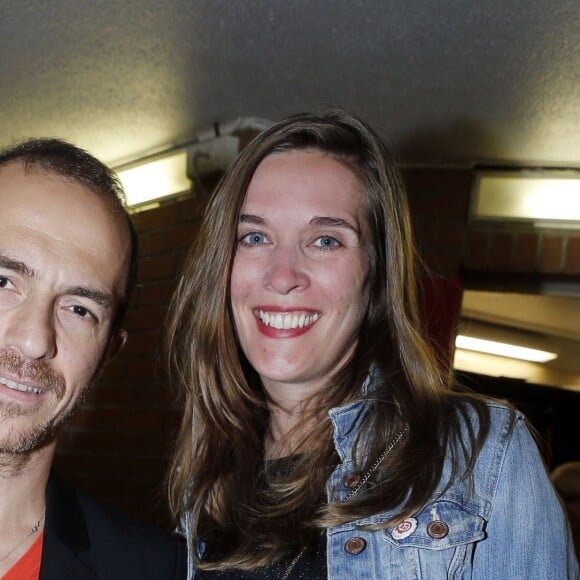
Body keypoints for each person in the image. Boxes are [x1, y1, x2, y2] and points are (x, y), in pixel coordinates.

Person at [165, 108, 579, 578]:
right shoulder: (206, 478)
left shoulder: (483, 457)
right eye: (255, 236)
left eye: (325, 240)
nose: (281, 276)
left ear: (377, 278)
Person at [0, 139, 186, 579]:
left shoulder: (157, 572)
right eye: (3, 281)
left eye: (80, 309)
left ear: (107, 355)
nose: (33, 341)